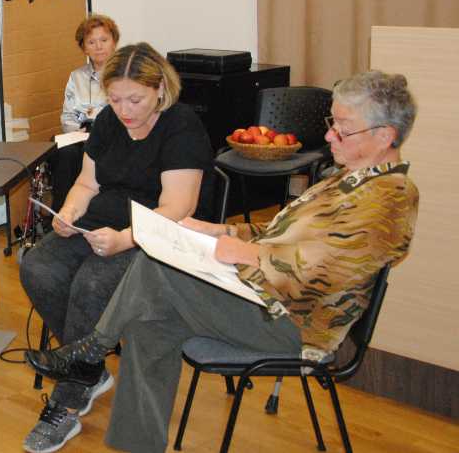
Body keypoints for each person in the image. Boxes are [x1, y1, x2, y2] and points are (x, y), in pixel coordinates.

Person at [26, 70, 419, 453]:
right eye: (333, 123)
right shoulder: (348, 179)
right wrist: (219, 231)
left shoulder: (389, 198)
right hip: (259, 297)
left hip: (292, 323)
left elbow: (319, 271)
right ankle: (130, 430)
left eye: (343, 128)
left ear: (385, 136)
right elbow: (279, 233)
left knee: (157, 267)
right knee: (151, 320)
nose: (330, 135)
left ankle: (90, 353)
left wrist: (246, 253)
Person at [19, 42, 213, 453]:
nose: (124, 109)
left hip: (155, 233)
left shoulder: (181, 126)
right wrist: (68, 212)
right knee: (37, 266)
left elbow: (177, 207)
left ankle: (68, 401)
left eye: (135, 100)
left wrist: (125, 238)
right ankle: (89, 365)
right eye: (115, 98)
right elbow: (87, 184)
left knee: (91, 285)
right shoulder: (108, 121)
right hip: (100, 222)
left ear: (160, 88)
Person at [50, 15, 121, 211]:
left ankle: (91, 211)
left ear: (114, 42)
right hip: (81, 135)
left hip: (112, 137)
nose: (98, 46)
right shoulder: (76, 77)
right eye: (91, 42)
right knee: (63, 153)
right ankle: (61, 212)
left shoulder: (125, 74)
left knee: (89, 153)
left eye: (104, 40)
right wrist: (78, 132)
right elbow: (67, 116)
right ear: (84, 48)